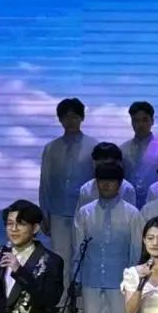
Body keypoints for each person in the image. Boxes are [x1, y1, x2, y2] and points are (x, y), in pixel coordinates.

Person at [75, 161, 144, 313]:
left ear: (120, 184)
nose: (106, 185)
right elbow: (78, 247)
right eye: (102, 181)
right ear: (96, 183)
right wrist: (77, 277)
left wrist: (133, 280)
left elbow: (136, 248)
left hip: (121, 279)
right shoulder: (85, 212)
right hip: (91, 276)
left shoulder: (132, 213)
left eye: (111, 181)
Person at [39, 98, 97, 288]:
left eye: (74, 116)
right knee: (60, 259)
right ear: (60, 119)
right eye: (65, 117)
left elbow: (97, 183)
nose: (70, 121)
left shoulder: (93, 146)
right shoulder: (51, 148)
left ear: (82, 118)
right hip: (57, 213)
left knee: (84, 258)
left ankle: (81, 302)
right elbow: (45, 182)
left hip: (85, 212)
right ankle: (61, 300)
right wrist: (44, 213)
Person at [120, 101, 158, 207]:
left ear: (152, 121)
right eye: (136, 120)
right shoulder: (123, 149)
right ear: (131, 122)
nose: (140, 124)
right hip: (127, 205)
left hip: (156, 204)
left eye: (145, 120)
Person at [76, 142, 137, 209]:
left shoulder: (127, 189)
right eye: (99, 166)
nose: (103, 170)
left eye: (107, 165)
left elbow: (132, 213)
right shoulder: (86, 189)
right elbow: (80, 214)